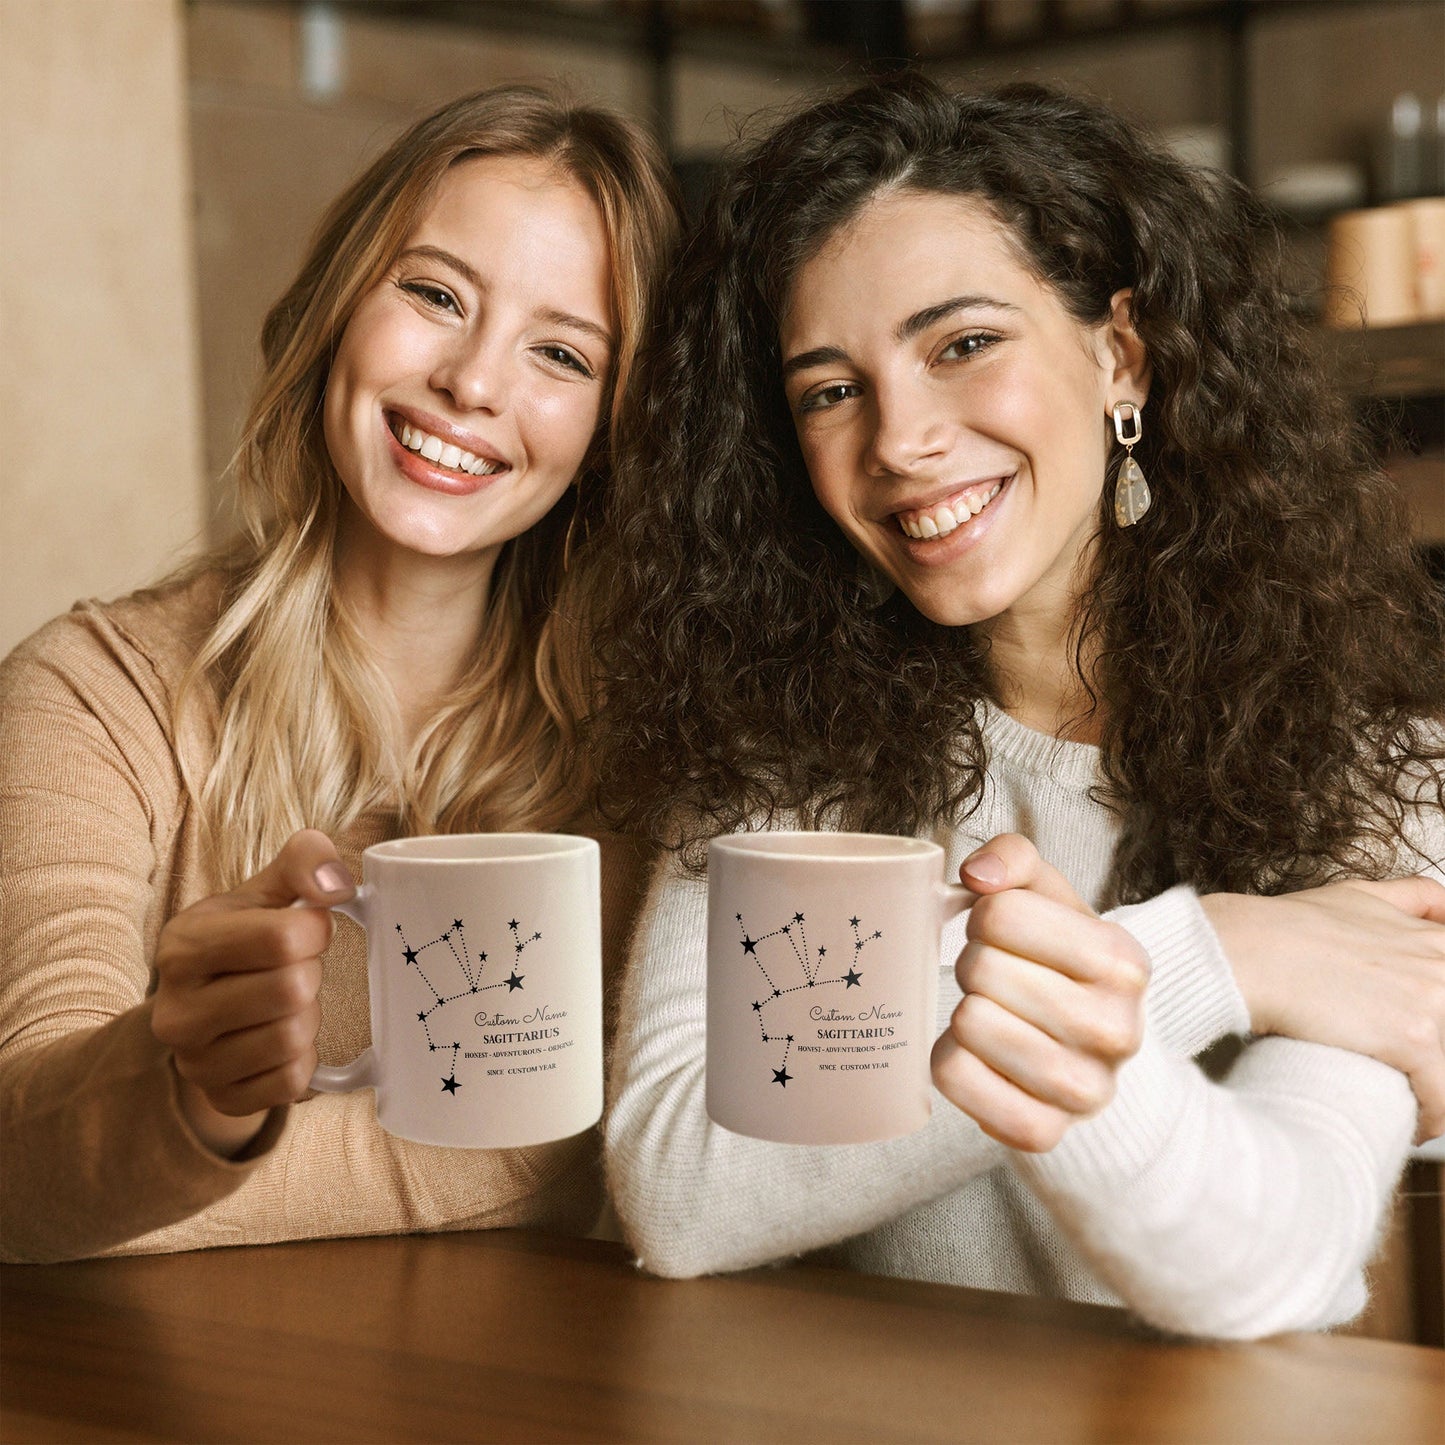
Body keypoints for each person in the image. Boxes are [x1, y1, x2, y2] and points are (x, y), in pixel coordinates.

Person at [591, 74, 1445, 1339]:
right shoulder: (780, 751)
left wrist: (1104, 977)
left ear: (1120, 355)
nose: (898, 438)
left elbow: (1270, 1259)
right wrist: (1211, 954)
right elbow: (677, 1188)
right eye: (829, 389)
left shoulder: (1375, 766)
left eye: (961, 344)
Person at [0, 86, 679, 1263]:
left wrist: (168, 1174)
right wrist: (194, 1095)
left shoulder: (643, 750)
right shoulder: (91, 693)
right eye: (433, 294)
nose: (473, 381)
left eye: (561, 353)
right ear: (335, 310)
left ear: (611, 430)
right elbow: (23, 1161)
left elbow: (593, 1130)